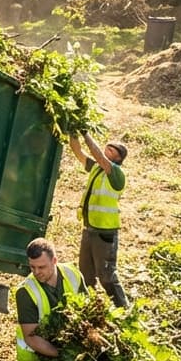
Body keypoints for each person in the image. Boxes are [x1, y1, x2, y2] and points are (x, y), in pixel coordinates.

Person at [69, 132, 129, 308]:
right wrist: (73, 130)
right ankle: (88, 309)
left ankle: (123, 310)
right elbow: (77, 150)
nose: (107, 150)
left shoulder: (116, 174)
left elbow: (98, 155)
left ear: (119, 158)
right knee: (85, 274)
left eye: (113, 150)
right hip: (90, 228)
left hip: (105, 232)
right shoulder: (96, 168)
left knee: (106, 276)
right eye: (107, 147)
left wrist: (85, 134)